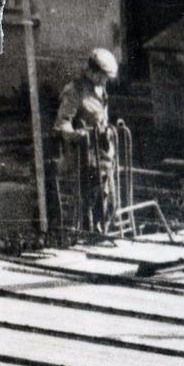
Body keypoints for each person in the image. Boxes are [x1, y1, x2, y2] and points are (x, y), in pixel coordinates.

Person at [54, 48, 120, 236]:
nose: (105, 81)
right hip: (83, 159)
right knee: (87, 204)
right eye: (102, 76)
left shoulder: (100, 88)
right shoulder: (75, 91)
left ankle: (102, 233)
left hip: (104, 156)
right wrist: (78, 135)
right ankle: (85, 236)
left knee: (108, 200)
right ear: (91, 71)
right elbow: (61, 125)